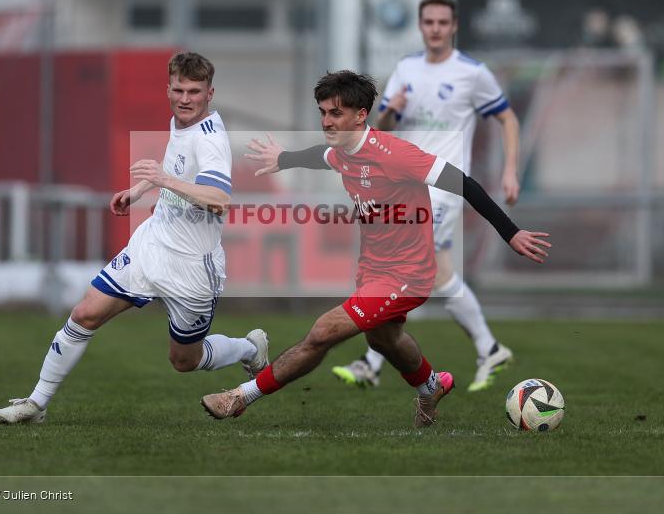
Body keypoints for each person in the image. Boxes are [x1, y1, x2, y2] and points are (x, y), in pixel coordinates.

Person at [200, 71, 550, 427]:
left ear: (361, 114)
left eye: (335, 114)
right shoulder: (343, 151)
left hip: (408, 274)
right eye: (322, 112)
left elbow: (466, 185)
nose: (326, 121)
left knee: (322, 333)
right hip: (373, 268)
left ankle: (240, 397)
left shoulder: (396, 155)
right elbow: (323, 156)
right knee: (385, 340)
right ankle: (431, 385)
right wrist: (285, 158)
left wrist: (511, 233)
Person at [0, 52, 268, 424]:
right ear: (168, 89)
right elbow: (175, 167)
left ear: (210, 93)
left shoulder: (211, 140)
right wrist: (140, 189)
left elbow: (219, 200)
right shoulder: (181, 122)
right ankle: (36, 404)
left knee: (184, 360)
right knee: (85, 314)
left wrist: (162, 180)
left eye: (194, 92)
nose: (185, 98)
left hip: (191, 268)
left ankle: (249, 349)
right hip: (151, 245)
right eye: (178, 90)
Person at [332, 0, 522, 392]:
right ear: (420, 26)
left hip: (445, 188)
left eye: (442, 22)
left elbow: (507, 118)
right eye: (428, 22)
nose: (435, 28)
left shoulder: (473, 73)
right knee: (439, 274)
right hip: (405, 186)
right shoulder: (406, 69)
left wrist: (509, 169)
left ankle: (371, 361)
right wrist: (392, 109)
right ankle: (489, 348)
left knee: (399, 264)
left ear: (454, 27)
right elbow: (378, 127)